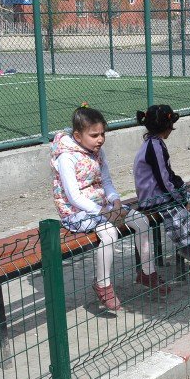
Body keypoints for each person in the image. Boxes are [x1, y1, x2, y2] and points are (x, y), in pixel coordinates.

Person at [50, 106, 168, 311]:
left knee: (141, 221)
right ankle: (103, 284)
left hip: (102, 206)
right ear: (77, 136)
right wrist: (105, 212)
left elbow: (106, 181)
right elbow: (73, 196)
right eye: (94, 135)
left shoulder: (98, 152)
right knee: (109, 233)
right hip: (75, 212)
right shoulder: (66, 157)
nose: (100, 139)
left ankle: (147, 273)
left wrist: (115, 201)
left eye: (102, 134)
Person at [133, 104, 190, 278]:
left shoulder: (154, 143)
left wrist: (180, 187)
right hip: (154, 198)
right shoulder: (154, 146)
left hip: (160, 193)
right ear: (166, 127)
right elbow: (163, 179)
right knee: (186, 213)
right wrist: (181, 199)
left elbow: (166, 174)